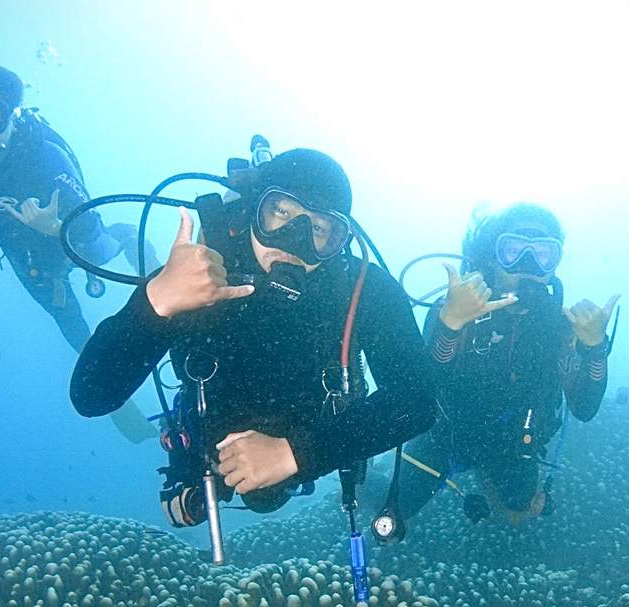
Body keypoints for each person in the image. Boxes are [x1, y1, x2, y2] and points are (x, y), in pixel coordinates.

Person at [70, 148, 436, 523]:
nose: (295, 241)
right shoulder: (200, 275)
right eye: (281, 213)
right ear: (252, 212)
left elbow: (418, 401)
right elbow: (90, 395)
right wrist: (155, 302)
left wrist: (296, 454)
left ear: (340, 242)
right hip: (207, 452)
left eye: (320, 229)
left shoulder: (360, 289)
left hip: (310, 442)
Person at [0, 64, 156, 441]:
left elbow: (89, 226)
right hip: (28, 262)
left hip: (76, 243)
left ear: (12, 118)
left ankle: (135, 244)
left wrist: (57, 229)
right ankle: (119, 405)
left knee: (107, 245)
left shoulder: (44, 154)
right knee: (76, 333)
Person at [395, 203, 616, 528]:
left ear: (554, 265)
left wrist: (594, 347)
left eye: (543, 254)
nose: (527, 265)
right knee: (391, 515)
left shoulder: (561, 328)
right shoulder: (457, 309)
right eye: (512, 250)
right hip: (443, 437)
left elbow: (584, 407)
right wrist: (451, 322)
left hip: (513, 446)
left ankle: (489, 480)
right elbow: (419, 391)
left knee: (517, 513)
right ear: (491, 258)